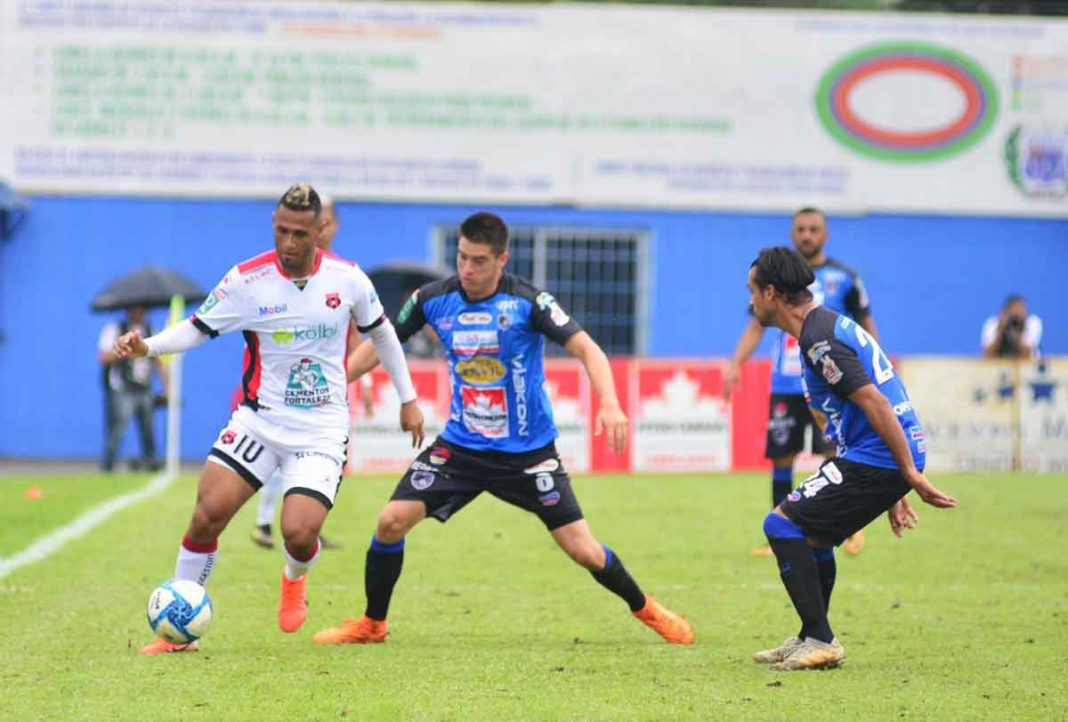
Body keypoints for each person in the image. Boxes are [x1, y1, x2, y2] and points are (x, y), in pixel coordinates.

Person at [313, 211, 694, 647]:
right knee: (390, 522)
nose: (467, 269)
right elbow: (381, 345)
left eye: (478, 261)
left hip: (528, 454)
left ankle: (648, 609)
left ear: (502, 259)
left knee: (583, 550)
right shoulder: (432, 299)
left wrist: (609, 402)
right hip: (461, 449)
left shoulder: (529, 302)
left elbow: (588, 349)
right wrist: (332, 384)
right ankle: (372, 624)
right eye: (462, 258)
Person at [116, 184, 424, 654]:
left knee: (299, 534)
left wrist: (408, 398)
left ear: (321, 230)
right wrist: (147, 347)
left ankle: (294, 576)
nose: (288, 242)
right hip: (258, 421)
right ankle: (179, 633)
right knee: (206, 516)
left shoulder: (348, 280)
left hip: (320, 429)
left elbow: (382, 336)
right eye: (281, 230)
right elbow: (197, 329)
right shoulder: (247, 281)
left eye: (300, 233)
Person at [746, 247, 956, 670]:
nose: (750, 302)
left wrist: (907, 474)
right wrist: (896, 482)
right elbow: (860, 408)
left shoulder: (819, 338)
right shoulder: (820, 328)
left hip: (879, 456)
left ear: (770, 292)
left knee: (780, 524)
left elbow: (875, 401)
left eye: (752, 291)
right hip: (877, 455)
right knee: (813, 537)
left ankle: (821, 639)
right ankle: (811, 635)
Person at [725, 207, 878, 557]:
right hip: (786, 383)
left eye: (813, 229)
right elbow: (755, 326)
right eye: (801, 229)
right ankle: (782, 536)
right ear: (792, 233)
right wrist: (735, 363)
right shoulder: (776, 279)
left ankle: (843, 528)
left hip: (829, 382)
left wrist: (873, 365)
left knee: (833, 454)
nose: (807, 235)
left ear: (825, 234)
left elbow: (865, 326)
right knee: (781, 456)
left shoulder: (846, 279)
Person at [249, 194, 374, 551]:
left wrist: (364, 381)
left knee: (322, 457)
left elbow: (358, 335)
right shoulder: (283, 270)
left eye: (329, 221)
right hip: (281, 381)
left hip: (322, 385)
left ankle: (306, 526)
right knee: (281, 449)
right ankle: (264, 521)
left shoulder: (344, 276)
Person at [97, 305, 168, 472]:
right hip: (121, 389)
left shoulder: (150, 331)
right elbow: (103, 356)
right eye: (134, 309)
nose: (138, 313)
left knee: (148, 429)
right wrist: (125, 351)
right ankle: (108, 464)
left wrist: (167, 388)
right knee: (118, 428)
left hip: (145, 389)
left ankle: (150, 462)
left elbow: (158, 361)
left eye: (141, 309)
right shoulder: (114, 329)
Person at [981, 294, 1042, 359]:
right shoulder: (993, 323)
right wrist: (1001, 329)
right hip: (1000, 363)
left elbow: (1027, 353)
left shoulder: (1032, 322)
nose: (1019, 313)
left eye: (1022, 309)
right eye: (1015, 310)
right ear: (1006, 311)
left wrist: (1016, 332)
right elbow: (987, 353)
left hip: (1028, 364)